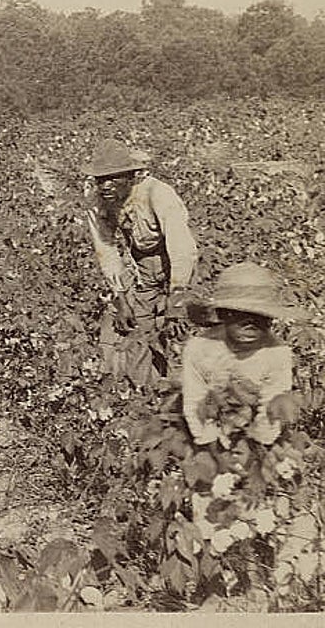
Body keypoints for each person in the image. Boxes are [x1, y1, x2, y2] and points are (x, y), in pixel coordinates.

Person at [83, 138, 198, 384]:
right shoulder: (98, 204)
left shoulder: (158, 193)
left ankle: (185, 394)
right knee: (129, 332)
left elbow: (180, 247)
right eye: (100, 179)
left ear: (131, 176)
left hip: (179, 269)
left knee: (178, 334)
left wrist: (176, 297)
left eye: (113, 178)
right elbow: (107, 251)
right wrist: (121, 298)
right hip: (144, 271)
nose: (106, 185)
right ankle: (146, 392)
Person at [182, 262, 302, 447]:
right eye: (239, 315)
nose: (250, 325)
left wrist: (255, 451)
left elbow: (270, 413)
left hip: (257, 432)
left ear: (271, 319)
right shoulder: (200, 349)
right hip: (211, 426)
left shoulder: (277, 353)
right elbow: (195, 401)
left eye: (260, 317)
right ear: (222, 315)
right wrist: (210, 446)